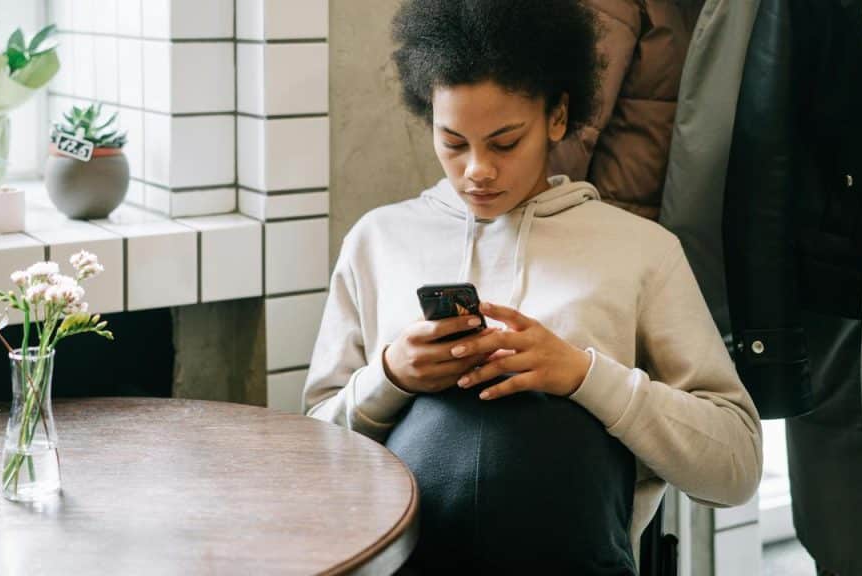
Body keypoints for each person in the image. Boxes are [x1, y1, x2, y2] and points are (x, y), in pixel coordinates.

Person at [303, 0, 762, 572]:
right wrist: (392, 375)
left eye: (504, 142)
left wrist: (584, 376)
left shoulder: (642, 252)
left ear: (558, 117)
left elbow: (736, 469)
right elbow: (311, 460)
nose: (477, 170)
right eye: (453, 142)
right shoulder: (377, 242)